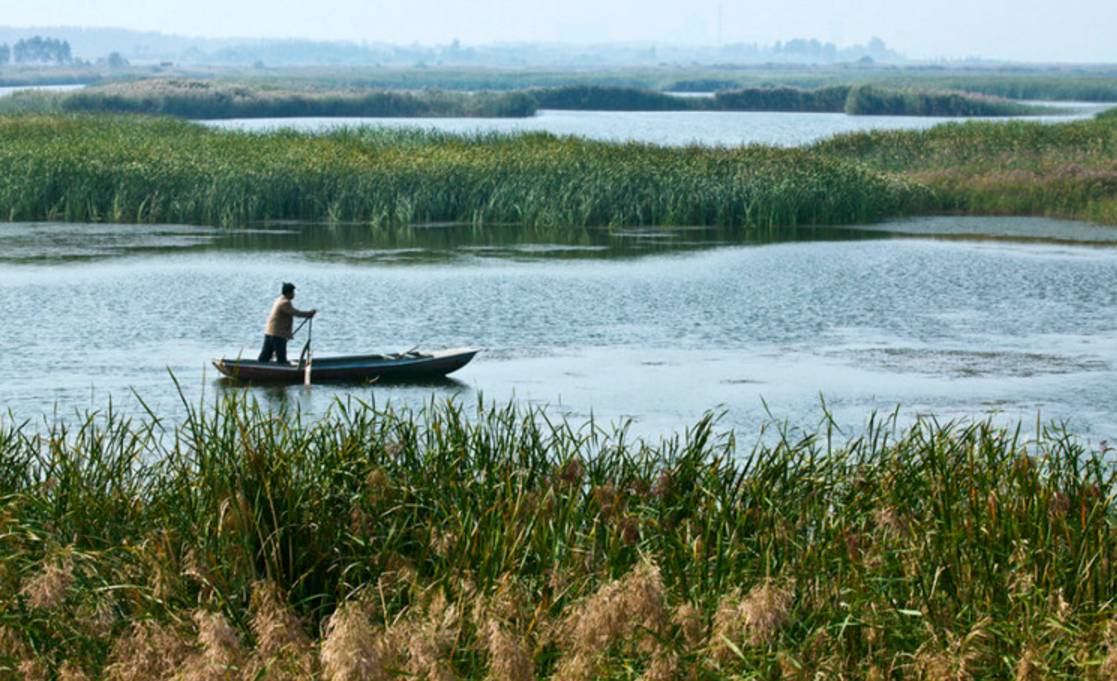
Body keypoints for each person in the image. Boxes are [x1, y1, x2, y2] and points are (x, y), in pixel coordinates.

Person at [258, 282, 316, 364]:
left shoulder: (279, 300)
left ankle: (259, 369)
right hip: (278, 335)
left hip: (270, 333)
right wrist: (308, 314)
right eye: (293, 292)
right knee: (281, 359)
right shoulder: (285, 303)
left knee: (264, 358)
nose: (294, 294)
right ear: (289, 293)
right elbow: (295, 312)